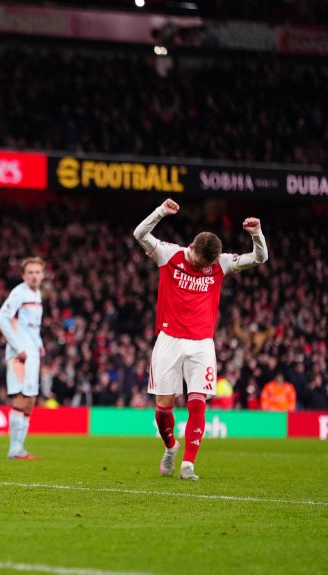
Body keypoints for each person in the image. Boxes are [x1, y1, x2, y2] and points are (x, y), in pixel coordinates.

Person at [134, 198, 267, 481]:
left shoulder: (221, 263)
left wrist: (256, 234)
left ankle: (188, 465)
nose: (199, 266)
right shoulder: (169, 254)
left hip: (202, 343)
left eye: (204, 264)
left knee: (198, 403)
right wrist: (161, 212)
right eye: (197, 261)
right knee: (163, 408)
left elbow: (260, 258)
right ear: (191, 247)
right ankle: (171, 447)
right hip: (169, 340)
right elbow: (139, 233)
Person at [0, 257, 46, 460]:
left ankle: (20, 448)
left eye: (37, 272)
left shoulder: (37, 294)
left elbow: (32, 326)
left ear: (42, 275)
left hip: (32, 351)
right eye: (30, 272)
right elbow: (1, 318)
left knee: (30, 400)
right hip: (20, 355)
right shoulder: (19, 293)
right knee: (21, 397)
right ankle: (14, 449)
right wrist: (18, 347)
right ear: (23, 275)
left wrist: (39, 343)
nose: (34, 276)